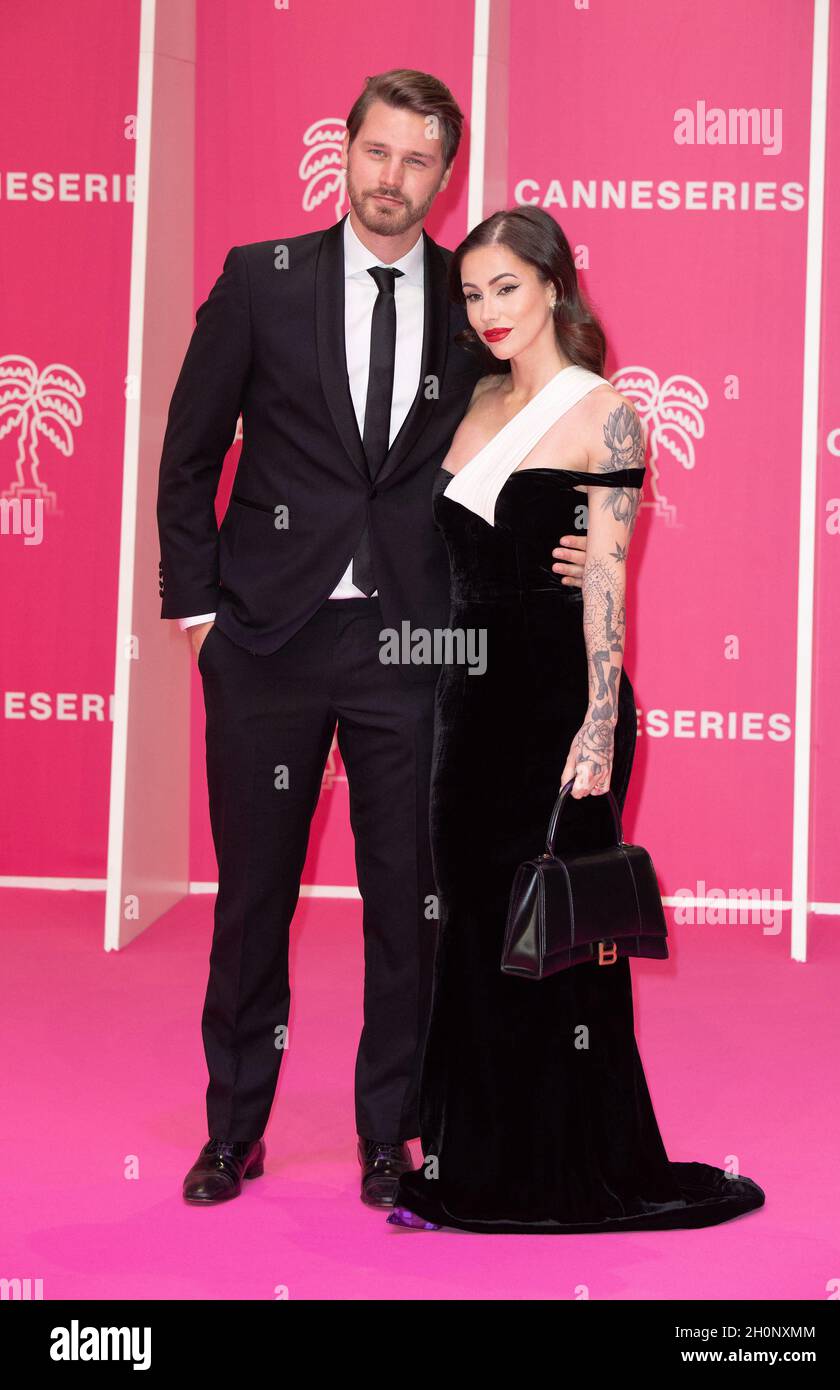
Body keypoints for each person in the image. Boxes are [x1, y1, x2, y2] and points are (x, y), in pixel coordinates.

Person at [155, 70, 590, 1207]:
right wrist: (199, 616)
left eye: (417, 162)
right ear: (341, 152)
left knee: (410, 903)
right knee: (254, 895)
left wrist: (592, 533)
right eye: (377, 153)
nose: (392, 180)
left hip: (417, 647)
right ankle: (232, 1128)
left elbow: (551, 415)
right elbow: (188, 454)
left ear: (445, 179)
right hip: (265, 639)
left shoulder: (472, 303)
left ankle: (391, 1133)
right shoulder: (261, 281)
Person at [389, 205, 766, 1233]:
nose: (489, 309)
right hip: (467, 702)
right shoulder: (467, 403)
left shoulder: (602, 412)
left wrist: (597, 722)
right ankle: (478, 1160)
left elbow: (604, 578)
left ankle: (557, 1166)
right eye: (471, 293)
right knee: (472, 926)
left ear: (554, 285)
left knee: (554, 937)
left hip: (560, 699)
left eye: (506, 285)